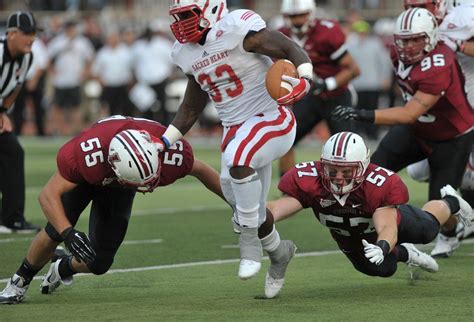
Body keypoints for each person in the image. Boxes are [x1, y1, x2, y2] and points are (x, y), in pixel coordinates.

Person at [156, 0, 312, 282]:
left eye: (187, 16)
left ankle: (249, 245)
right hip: (235, 130)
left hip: (272, 117)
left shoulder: (237, 28)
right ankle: (279, 252)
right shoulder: (185, 52)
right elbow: (191, 107)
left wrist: (305, 78)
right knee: (245, 203)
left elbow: (289, 48)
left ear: (213, 9)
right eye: (177, 18)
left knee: (239, 160)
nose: (180, 24)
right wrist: (162, 143)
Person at [0, 115, 226, 304]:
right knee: (56, 228)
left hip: (120, 177)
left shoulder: (170, 153)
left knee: (99, 263)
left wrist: (237, 204)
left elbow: (202, 171)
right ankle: (19, 281)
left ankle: (63, 267)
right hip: (95, 171)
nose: (146, 190)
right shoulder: (86, 155)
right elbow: (48, 196)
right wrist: (69, 233)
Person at [332, 8, 474, 256]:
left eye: (414, 39)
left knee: (439, 202)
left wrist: (364, 113)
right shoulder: (396, 55)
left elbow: (409, 112)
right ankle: (377, 224)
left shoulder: (440, 62)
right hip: (416, 130)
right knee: (371, 171)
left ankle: (450, 233)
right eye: (403, 39)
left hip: (450, 136)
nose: (406, 46)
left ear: (430, 37)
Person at [266, 132, 473, 297]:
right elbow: (277, 208)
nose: (338, 178)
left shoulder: (377, 185)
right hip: (349, 237)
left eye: (347, 171)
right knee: (383, 269)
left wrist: (383, 245)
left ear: (363, 167)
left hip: (388, 224)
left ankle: (451, 201)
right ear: (323, 165)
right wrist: (252, 215)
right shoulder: (309, 181)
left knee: (428, 230)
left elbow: (387, 226)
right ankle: (407, 253)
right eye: (332, 170)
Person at [403, 0, 474, 257]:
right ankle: (463, 203)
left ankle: (454, 225)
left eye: (421, 4)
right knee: (418, 170)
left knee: (447, 179)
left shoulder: (464, 16)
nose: (415, 9)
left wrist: (460, 45)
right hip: (443, 113)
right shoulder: (410, 28)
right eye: (410, 4)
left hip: (469, 109)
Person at [277, 0, 360, 177]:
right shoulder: (282, 35)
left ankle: (353, 192)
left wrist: (327, 83)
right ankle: (288, 189)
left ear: (311, 13)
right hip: (310, 97)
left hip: (337, 95)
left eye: (301, 15)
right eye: (293, 16)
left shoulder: (326, 32)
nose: (297, 20)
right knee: (284, 140)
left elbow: (353, 69)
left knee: (347, 150)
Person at [0, 11, 41, 233]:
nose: (32, 38)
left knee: (14, 152)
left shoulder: (27, 57)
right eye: (27, 33)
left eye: (34, 33)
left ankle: (11, 219)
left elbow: (16, 86)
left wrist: (4, 111)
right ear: (11, 34)